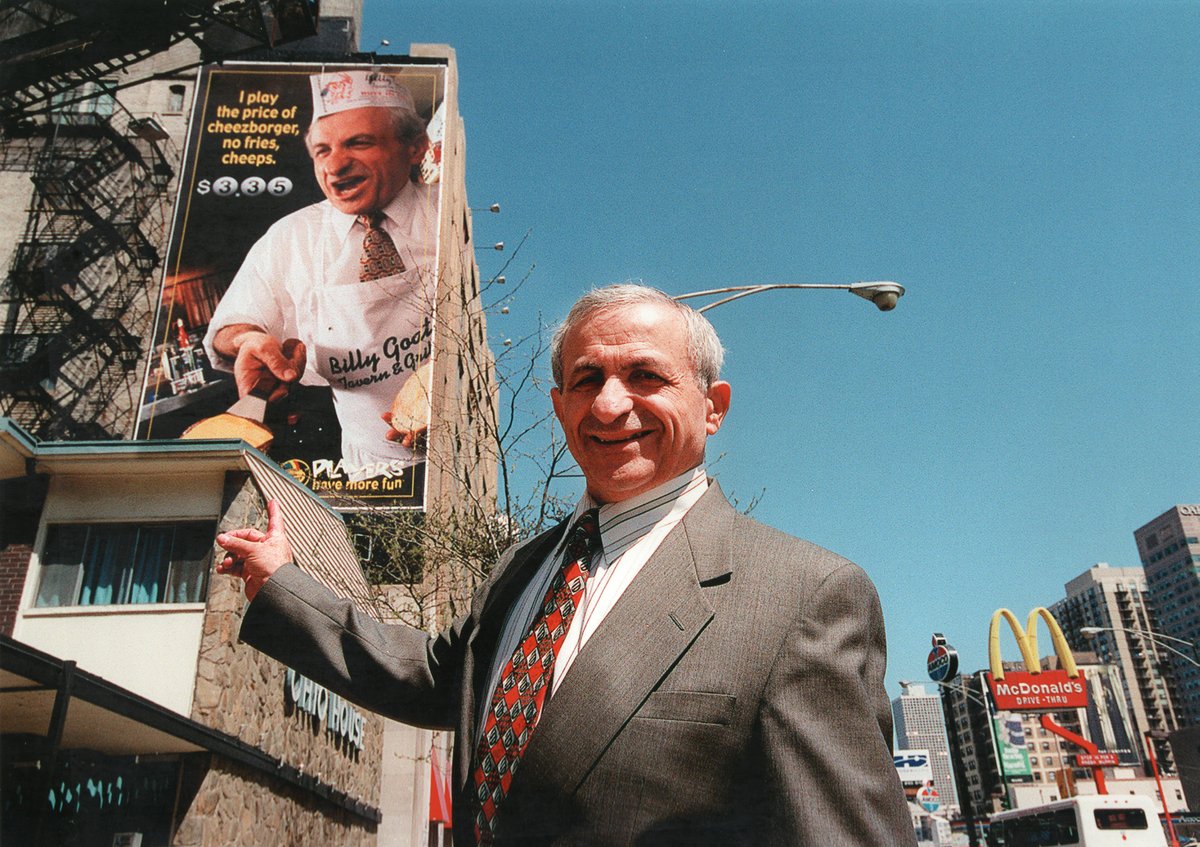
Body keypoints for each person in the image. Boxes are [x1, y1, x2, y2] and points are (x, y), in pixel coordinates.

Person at [216, 283, 916, 845]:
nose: (612, 404)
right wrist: (282, 582)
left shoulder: (805, 595)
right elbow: (435, 677)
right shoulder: (524, 568)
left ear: (713, 407)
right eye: (588, 379)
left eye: (646, 375)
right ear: (559, 407)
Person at [203, 70, 437, 479]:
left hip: (462, 461)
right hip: (368, 475)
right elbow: (231, 325)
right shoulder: (292, 236)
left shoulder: (447, 217)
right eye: (322, 151)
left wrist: (445, 372)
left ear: (415, 148)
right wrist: (249, 339)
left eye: (358, 143)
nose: (336, 165)